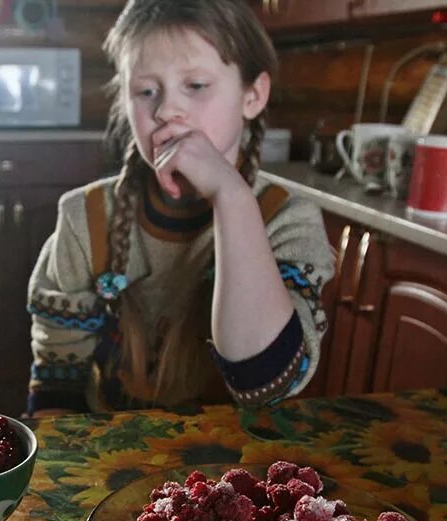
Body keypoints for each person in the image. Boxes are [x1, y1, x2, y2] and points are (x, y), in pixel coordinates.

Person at [26, 0, 334, 417]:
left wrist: (230, 195)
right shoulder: (86, 217)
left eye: (196, 86)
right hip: (115, 455)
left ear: (252, 95)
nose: (167, 110)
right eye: (146, 91)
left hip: (233, 466)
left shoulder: (287, 218)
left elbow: (262, 379)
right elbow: (57, 379)